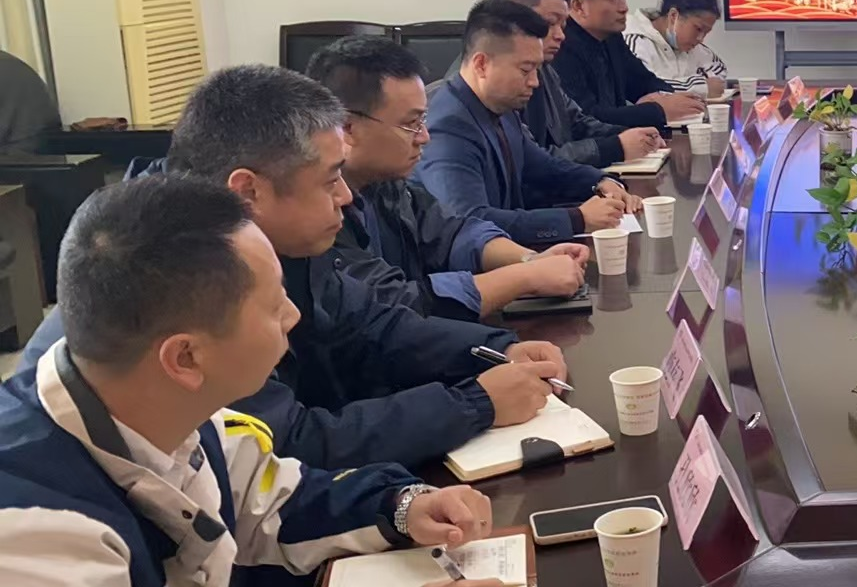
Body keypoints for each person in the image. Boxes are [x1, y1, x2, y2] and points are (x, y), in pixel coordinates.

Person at [0, 175, 510, 587]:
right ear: (185, 358)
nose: (294, 316)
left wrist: (401, 506)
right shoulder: (28, 531)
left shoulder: (158, 406)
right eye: (272, 308)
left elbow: (272, 500)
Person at [19, 65, 569, 471]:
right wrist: (472, 404)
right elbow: (285, 443)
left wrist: (493, 349)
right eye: (330, 179)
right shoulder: (168, 274)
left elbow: (370, 324)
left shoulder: (264, 236)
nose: (348, 197)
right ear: (248, 190)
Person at [307, 36, 589, 319]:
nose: (424, 137)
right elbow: (391, 303)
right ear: (348, 128)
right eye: (411, 124)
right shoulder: (316, 212)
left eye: (422, 121)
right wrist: (524, 277)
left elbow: (451, 231)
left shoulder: (384, 181)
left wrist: (529, 259)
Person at [418, 0, 640, 246]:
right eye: (525, 70)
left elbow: (544, 167)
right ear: (481, 64)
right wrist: (577, 219)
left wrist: (600, 181)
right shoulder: (447, 127)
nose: (535, 82)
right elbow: (470, 221)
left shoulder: (500, 105)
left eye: (537, 69)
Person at [492, 0, 661, 167]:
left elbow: (577, 121)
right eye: (550, 23)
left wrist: (628, 135)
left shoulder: (545, 69)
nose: (560, 35)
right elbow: (532, 162)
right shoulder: (497, 84)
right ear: (510, 23)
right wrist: (615, 147)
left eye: (562, 26)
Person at [550, 0, 706, 128]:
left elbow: (643, 81)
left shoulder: (611, 37)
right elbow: (587, 118)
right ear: (578, 6)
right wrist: (658, 110)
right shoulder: (560, 47)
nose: (624, 7)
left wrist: (668, 97)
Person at [629, 0, 729, 96]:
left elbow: (719, 73)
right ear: (673, 16)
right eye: (698, 29)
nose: (701, 39)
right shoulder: (635, 42)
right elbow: (642, 87)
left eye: (706, 33)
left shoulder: (693, 47)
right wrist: (700, 86)